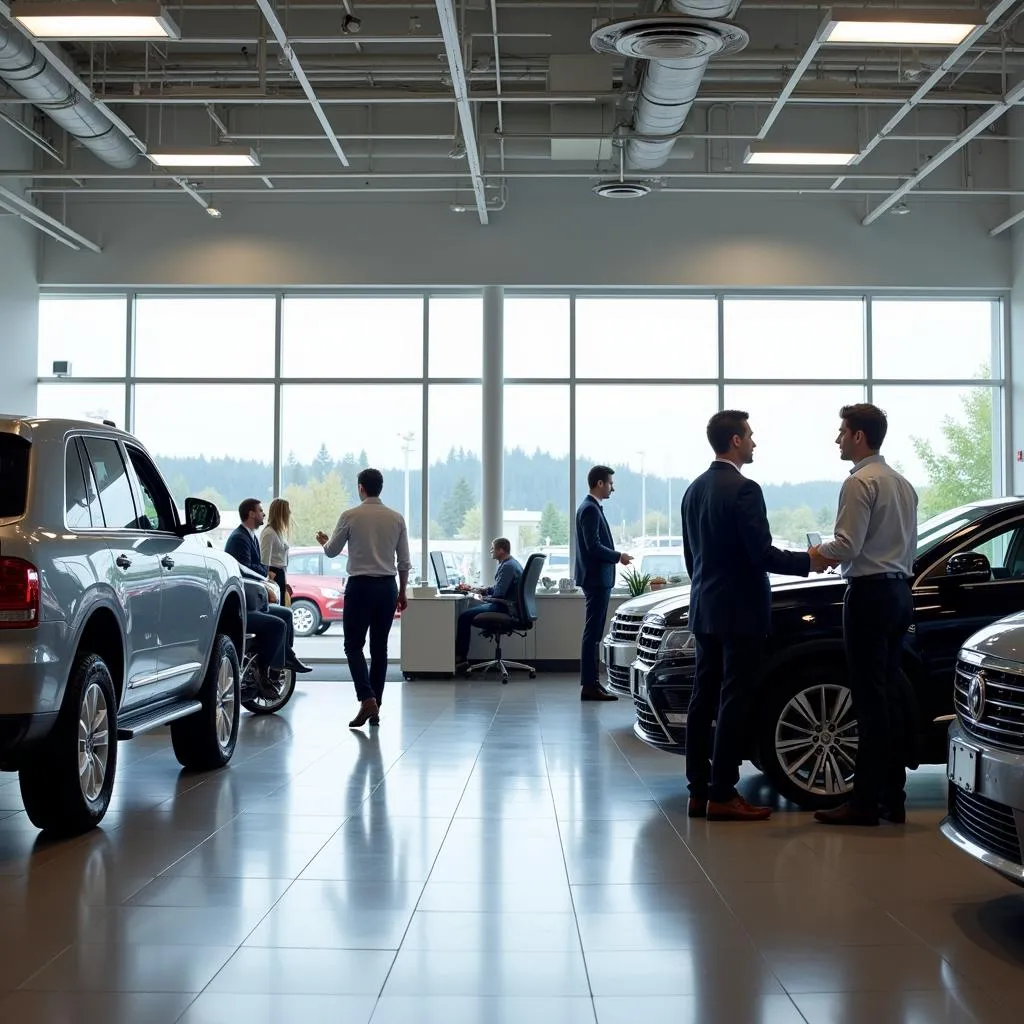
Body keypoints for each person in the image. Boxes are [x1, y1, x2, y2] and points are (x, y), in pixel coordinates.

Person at [681, 411, 815, 822]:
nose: (755, 442)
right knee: (734, 699)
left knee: (703, 699)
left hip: (704, 608)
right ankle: (723, 792)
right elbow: (762, 554)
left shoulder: (693, 490)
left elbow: (692, 558)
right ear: (735, 441)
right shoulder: (744, 490)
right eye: (751, 436)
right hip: (740, 613)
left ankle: (698, 791)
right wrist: (809, 560)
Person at [811, 403, 919, 828]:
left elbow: (848, 546)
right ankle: (893, 799)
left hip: (869, 597)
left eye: (842, 432)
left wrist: (816, 553)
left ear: (858, 437)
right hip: (899, 594)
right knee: (889, 697)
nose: (837, 439)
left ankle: (863, 804)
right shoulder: (902, 483)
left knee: (869, 701)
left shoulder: (859, 483)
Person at [316, 468, 411, 729]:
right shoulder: (396, 518)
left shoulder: (350, 515)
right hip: (387, 587)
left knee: (353, 645)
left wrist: (325, 541)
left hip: (360, 587)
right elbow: (404, 561)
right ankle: (375, 707)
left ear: (361, 488)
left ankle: (367, 698)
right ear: (380, 487)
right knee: (379, 648)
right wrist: (402, 591)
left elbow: (332, 552)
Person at [225, 498, 310, 675]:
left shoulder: (251, 536)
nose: (263, 513)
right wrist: (266, 574)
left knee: (286, 614)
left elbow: (256, 565)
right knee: (279, 623)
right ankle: (267, 670)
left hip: (258, 594)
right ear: (251, 513)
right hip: (248, 602)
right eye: (260, 510)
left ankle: (286, 657)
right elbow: (245, 568)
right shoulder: (241, 538)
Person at [574, 465, 632, 702]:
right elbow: (593, 546)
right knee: (593, 633)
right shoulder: (590, 509)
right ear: (600, 483)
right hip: (596, 579)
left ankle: (592, 683)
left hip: (597, 578)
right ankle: (590, 685)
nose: (612, 488)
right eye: (610, 483)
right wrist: (619, 556)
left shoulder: (590, 508)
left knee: (594, 632)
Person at [454, 537, 523, 670]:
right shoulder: (510, 564)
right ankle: (460, 657)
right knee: (471, 611)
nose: (490, 551)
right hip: (507, 606)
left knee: (464, 617)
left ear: (501, 550)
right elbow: (500, 589)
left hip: (503, 608)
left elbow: (499, 594)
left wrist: (484, 596)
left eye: (493, 548)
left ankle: (460, 658)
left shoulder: (508, 566)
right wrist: (483, 590)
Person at [260, 497, 291, 599]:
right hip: (274, 575)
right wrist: (269, 581)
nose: (290, 513)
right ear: (281, 513)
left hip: (279, 574)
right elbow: (264, 560)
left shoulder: (278, 532)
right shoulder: (269, 533)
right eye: (287, 510)